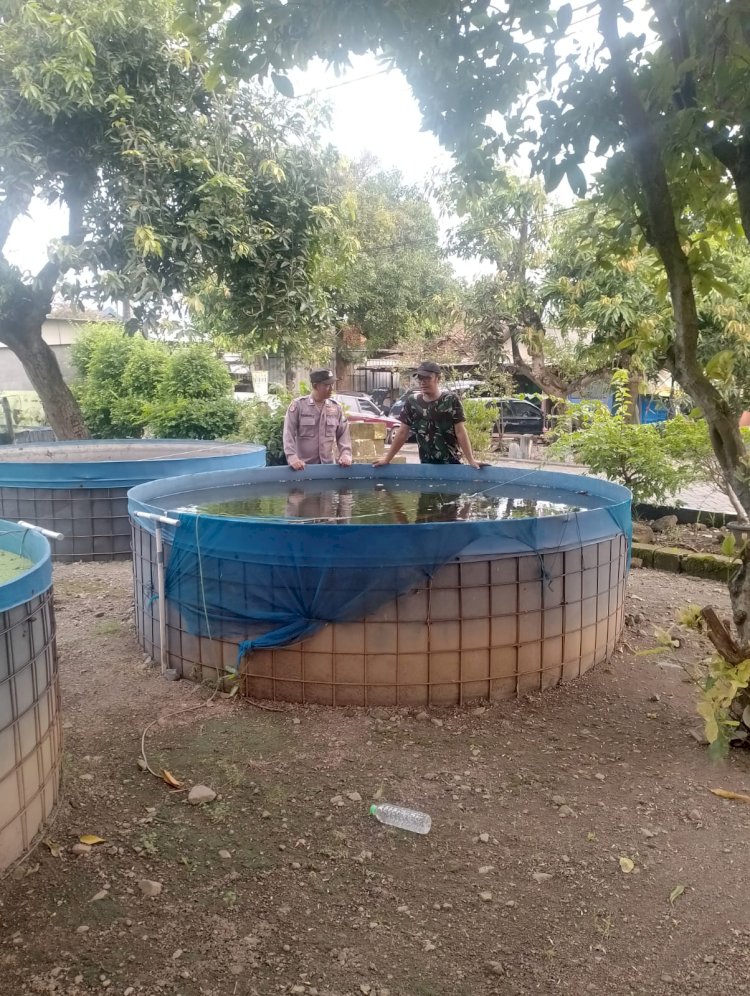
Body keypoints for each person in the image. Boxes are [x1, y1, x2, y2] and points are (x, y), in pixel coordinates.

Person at [373, 361, 482, 469]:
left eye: (427, 378)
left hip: (451, 465)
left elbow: (460, 431)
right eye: (420, 378)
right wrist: (387, 459)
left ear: (438, 379)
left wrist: (471, 460)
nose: (423, 382)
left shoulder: (451, 400)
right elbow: (402, 433)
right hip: (426, 466)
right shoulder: (412, 402)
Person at [283, 369, 353, 471]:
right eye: (327, 385)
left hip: (328, 468)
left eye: (332, 384)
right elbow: (288, 433)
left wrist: (345, 454)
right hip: (303, 468)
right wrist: (292, 457)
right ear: (315, 386)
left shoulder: (336, 407)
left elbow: (343, 434)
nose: (331, 388)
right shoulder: (299, 406)